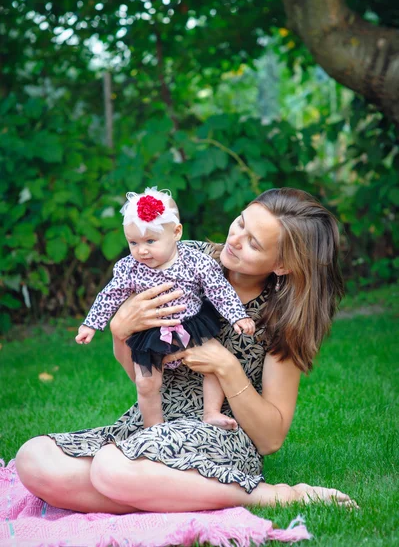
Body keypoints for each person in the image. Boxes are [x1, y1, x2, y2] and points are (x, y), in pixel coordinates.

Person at [15, 188, 357, 512]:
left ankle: (271, 496)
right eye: (240, 222)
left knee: (110, 468)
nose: (234, 240)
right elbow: (138, 369)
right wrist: (120, 331)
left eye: (253, 242)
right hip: (153, 423)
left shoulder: (282, 318)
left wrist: (226, 366)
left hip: (218, 438)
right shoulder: (178, 257)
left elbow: (270, 439)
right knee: (35, 460)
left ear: (281, 265)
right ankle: (175, 492)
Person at [75, 187, 254, 429]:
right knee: (146, 382)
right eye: (133, 242)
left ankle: (211, 412)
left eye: (150, 241)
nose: (142, 250)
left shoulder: (195, 261)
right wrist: (91, 324)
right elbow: (110, 295)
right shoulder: (130, 268)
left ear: (176, 232)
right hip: (151, 334)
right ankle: (154, 427)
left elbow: (219, 290)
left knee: (214, 366)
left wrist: (237, 317)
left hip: (191, 325)